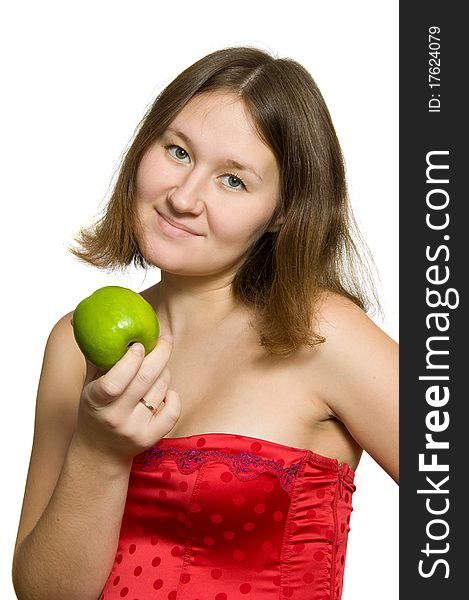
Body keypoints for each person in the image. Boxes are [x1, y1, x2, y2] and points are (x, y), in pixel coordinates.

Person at [12, 46, 398, 600]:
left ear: (284, 211)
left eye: (233, 180)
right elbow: (43, 592)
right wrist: (98, 452)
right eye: (177, 151)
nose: (184, 197)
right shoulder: (72, 346)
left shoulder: (324, 334)